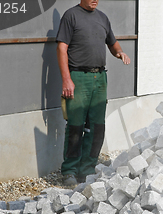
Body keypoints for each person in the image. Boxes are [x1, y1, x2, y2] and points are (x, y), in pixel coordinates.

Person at [56, 0, 130, 186]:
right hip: (78, 77)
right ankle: (69, 171)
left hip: (100, 78)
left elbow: (112, 43)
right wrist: (67, 79)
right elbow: (61, 48)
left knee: (97, 127)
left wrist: (120, 52)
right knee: (75, 125)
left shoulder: (102, 18)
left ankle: (87, 169)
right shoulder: (71, 16)